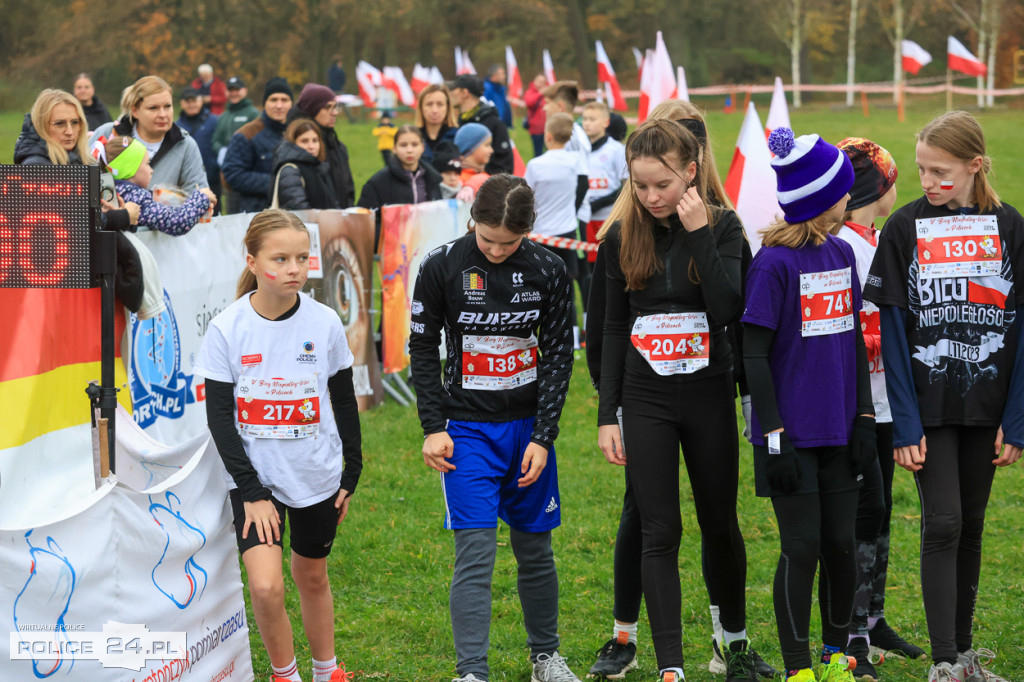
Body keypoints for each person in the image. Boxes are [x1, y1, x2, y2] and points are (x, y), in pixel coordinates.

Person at [586, 99, 777, 682]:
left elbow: (728, 309)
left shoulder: (722, 226)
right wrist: (607, 411)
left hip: (707, 394)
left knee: (719, 521)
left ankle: (734, 646)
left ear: (690, 171)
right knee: (657, 526)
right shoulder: (622, 235)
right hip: (646, 398)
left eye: (662, 184)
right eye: (640, 185)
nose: (651, 196)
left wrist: (696, 232)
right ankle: (670, 666)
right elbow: (612, 327)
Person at [864, 110, 1024, 682]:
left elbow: (1022, 327)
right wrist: (904, 423)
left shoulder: (1010, 226)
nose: (928, 182)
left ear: (976, 166)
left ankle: (964, 657)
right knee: (945, 521)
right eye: (922, 170)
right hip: (927, 410)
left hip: (988, 405)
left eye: (941, 172)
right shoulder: (905, 227)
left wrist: (1018, 417)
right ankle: (942, 662)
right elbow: (894, 333)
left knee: (974, 523)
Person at [408, 173, 579, 682]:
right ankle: (472, 672)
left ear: (529, 232)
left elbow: (557, 358)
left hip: (526, 428)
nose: (498, 251)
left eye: (510, 242)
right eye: (487, 239)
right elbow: (422, 349)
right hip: (467, 430)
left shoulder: (549, 269)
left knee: (535, 547)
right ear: (472, 221)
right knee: (477, 552)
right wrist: (433, 425)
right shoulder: (441, 266)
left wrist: (544, 437)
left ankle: (545, 658)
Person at [194, 209, 362, 682]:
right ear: (251, 260)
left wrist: (351, 472)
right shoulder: (228, 327)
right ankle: (284, 675)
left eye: (302, 258)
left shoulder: (325, 322)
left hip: (315, 474)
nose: (294, 269)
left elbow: (344, 401)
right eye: (281, 258)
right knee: (266, 587)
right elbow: (219, 419)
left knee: (311, 576)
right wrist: (250, 490)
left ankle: (327, 670)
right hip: (253, 481)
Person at [743, 126, 874, 682]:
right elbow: (752, 356)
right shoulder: (773, 264)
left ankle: (835, 658)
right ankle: (799, 669)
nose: (850, 199)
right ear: (822, 201)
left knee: (841, 546)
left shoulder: (842, 252)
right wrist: (773, 437)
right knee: (802, 549)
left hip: (842, 430)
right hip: (790, 436)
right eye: (844, 192)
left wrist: (865, 418)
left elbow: (851, 340)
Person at [831, 138, 926, 682]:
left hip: (888, 400)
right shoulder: (851, 246)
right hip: (857, 403)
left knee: (882, 506)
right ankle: (853, 630)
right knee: (864, 511)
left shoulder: (873, 239)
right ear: (881, 185)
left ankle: (874, 616)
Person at [14, 89, 142, 311]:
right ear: (42, 125)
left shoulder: (80, 159)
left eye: (75, 122)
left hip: (85, 281)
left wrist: (112, 209)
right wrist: (121, 216)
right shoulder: (36, 166)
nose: (70, 131)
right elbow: (72, 226)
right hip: (55, 289)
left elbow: (88, 218)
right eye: (60, 124)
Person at [525, 113, 586, 348]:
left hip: (540, 234)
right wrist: (572, 209)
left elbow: (527, 198)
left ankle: (534, 335)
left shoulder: (535, 165)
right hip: (567, 233)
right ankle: (571, 337)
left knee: (537, 289)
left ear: (547, 136)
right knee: (567, 287)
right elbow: (584, 186)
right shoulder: (575, 162)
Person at [90, 76, 209, 192]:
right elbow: (82, 181)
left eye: (167, 106)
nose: (163, 114)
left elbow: (198, 194)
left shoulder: (185, 145)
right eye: (153, 108)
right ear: (135, 111)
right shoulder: (107, 133)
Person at [100, 135, 214, 235]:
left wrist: (194, 212)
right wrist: (201, 198)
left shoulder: (113, 192)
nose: (151, 170)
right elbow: (176, 222)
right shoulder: (136, 198)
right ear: (131, 168)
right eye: (147, 164)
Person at [357, 125, 441, 243]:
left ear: (422, 147)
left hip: (427, 245)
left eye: (414, 144)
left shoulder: (433, 179)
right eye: (403, 145)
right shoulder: (377, 182)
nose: (409, 150)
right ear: (394, 148)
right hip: (394, 250)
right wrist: (388, 238)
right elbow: (363, 221)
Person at [222, 77, 293, 214]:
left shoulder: (297, 133)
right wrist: (276, 183)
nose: (279, 105)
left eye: (284, 100)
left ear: (291, 104)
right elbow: (232, 175)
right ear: (264, 104)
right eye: (273, 100)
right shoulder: (247, 134)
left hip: (293, 214)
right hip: (257, 215)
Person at [292, 83, 356, 209]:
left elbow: (348, 190)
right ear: (312, 110)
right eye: (328, 107)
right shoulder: (297, 146)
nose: (335, 112)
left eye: (336, 107)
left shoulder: (338, 146)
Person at [581, 101, 627, 264]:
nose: (587, 123)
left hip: (610, 218)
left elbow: (627, 187)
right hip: (585, 219)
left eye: (592, 119)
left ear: (606, 122)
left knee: (613, 263)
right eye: (585, 119)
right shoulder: (578, 149)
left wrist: (599, 203)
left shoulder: (617, 150)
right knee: (590, 265)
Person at [449, 74, 513, 175]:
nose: (450, 94)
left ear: (465, 93)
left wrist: (481, 171)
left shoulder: (494, 123)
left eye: (454, 90)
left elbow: (506, 166)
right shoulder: (458, 122)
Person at [213, 77, 260, 214]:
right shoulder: (224, 116)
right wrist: (221, 151)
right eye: (230, 90)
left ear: (244, 91)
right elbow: (216, 140)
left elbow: (257, 140)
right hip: (229, 175)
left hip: (248, 173)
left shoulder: (253, 114)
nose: (233, 93)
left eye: (237, 90)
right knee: (232, 213)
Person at [270, 119, 339, 211]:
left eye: (315, 141)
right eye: (304, 141)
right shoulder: (290, 170)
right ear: (293, 143)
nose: (311, 146)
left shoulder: (319, 168)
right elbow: (299, 209)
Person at [177, 86, 221, 212]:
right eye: (188, 101)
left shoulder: (214, 121)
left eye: (194, 100)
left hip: (212, 180)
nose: (191, 104)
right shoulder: (176, 126)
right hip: (185, 184)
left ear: (201, 101)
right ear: (182, 103)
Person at [416, 84, 458, 164]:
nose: (434, 110)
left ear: (447, 107)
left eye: (440, 104)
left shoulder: (458, 137)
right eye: (429, 104)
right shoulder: (412, 137)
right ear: (421, 108)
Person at [452, 123, 492, 202]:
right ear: (471, 148)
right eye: (487, 145)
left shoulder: (478, 173)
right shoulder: (457, 180)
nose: (491, 150)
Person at [524, 74, 548, 159]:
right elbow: (529, 103)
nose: (541, 84)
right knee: (538, 152)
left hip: (547, 128)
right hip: (536, 129)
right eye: (539, 81)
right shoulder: (530, 92)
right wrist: (539, 94)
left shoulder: (548, 94)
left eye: (543, 82)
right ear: (534, 82)